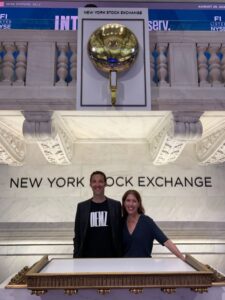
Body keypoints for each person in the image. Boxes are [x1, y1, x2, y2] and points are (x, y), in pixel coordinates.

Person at [122, 189, 185, 260]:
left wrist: (182, 258)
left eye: (134, 201)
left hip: (144, 268)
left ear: (139, 204)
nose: (131, 204)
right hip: (125, 268)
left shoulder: (147, 222)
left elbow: (166, 241)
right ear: (124, 203)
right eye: (128, 200)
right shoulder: (120, 222)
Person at [73, 171, 122, 258]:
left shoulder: (115, 205)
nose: (97, 184)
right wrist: (76, 256)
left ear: (105, 184)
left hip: (111, 259)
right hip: (87, 259)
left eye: (100, 181)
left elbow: (120, 233)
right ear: (90, 184)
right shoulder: (82, 207)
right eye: (94, 181)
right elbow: (78, 235)